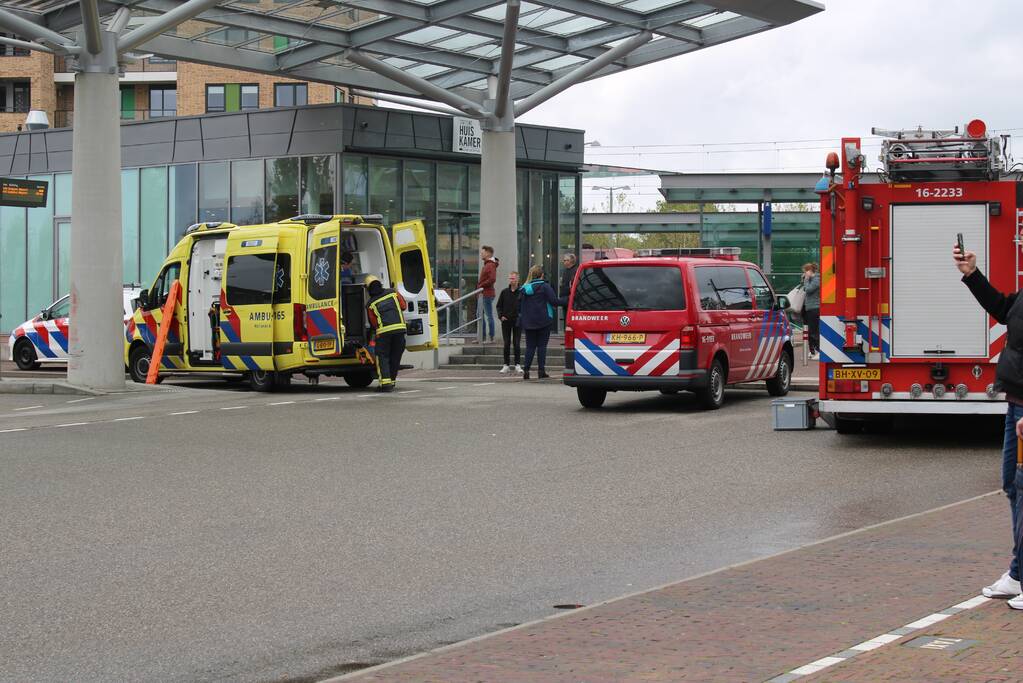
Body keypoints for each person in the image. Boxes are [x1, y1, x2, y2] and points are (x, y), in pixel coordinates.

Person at [955, 241, 1023, 609]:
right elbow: (1002, 308)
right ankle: (1017, 574)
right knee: (1013, 486)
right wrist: (972, 275)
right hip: (1015, 403)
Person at [364, 275, 406, 393]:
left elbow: (373, 323)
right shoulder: (393, 293)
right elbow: (403, 306)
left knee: (382, 357)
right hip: (400, 330)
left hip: (383, 333)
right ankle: (391, 382)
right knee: (395, 356)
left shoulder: (370, 303)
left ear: (368, 289)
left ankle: (385, 384)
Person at [518, 265, 559, 380]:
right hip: (544, 321)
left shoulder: (524, 288)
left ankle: (526, 371)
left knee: (530, 347)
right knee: (542, 346)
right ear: (542, 275)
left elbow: (519, 305)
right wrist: (567, 300)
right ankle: (541, 371)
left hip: (528, 322)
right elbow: (554, 301)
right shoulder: (545, 287)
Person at [496, 271, 523, 374]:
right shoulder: (504, 292)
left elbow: (525, 305)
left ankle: (517, 365)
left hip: (517, 321)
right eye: (510, 278)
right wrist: (501, 316)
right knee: (506, 343)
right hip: (506, 321)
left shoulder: (521, 292)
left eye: (513, 278)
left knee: (516, 343)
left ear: (517, 279)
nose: (511, 280)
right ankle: (506, 365)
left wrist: (521, 316)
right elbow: (499, 306)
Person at [476, 246, 498, 343]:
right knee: (480, 314)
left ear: (488, 253)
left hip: (487, 294)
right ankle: (482, 337)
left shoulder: (490, 265)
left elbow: (492, 279)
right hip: (484, 294)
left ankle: (490, 337)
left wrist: (481, 285)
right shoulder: (488, 265)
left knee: (488, 315)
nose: (481, 254)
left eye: (483, 252)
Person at [801, 262, 821, 359]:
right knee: (809, 331)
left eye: (805, 272)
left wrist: (806, 279)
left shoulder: (817, 279)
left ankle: (818, 350)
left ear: (809, 271)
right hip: (808, 308)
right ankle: (812, 351)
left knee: (814, 331)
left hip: (814, 308)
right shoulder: (811, 279)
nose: (804, 274)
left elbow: (808, 289)